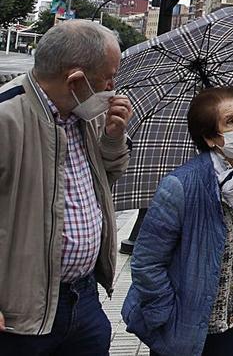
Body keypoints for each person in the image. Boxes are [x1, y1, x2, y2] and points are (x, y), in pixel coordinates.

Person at [0, 20, 133, 355]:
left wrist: (114, 140)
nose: (112, 87)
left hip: (81, 297)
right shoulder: (7, 118)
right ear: (76, 79)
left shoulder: (86, 115)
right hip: (23, 310)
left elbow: (107, 179)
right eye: (107, 77)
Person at [121, 87, 233, 356]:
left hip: (230, 323)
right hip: (184, 328)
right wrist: (165, 311)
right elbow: (146, 261)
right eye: (231, 121)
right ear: (211, 138)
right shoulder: (180, 186)